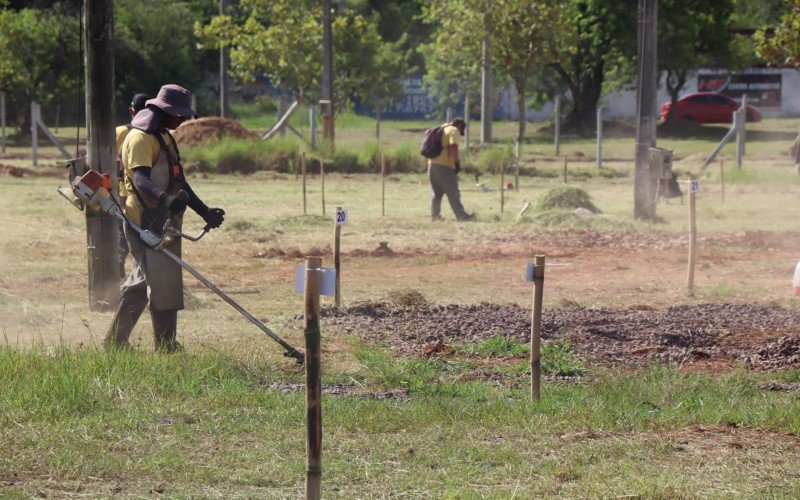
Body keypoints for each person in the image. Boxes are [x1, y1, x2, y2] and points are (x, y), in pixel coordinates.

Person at [105, 84, 225, 352]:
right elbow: (140, 179)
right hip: (144, 222)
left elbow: (179, 181)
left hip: (164, 221)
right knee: (162, 283)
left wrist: (204, 211)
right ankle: (166, 346)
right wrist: (167, 201)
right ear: (164, 110)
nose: (183, 120)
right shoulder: (139, 139)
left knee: (144, 282)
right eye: (179, 114)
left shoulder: (165, 137)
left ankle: (115, 343)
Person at [114, 93, 149, 279]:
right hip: (146, 194)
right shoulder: (152, 134)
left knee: (124, 232)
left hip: (123, 191)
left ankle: (121, 266)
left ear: (131, 111)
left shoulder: (120, 132)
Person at [427, 117, 475, 221]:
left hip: (432, 164)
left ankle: (435, 216)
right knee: (453, 191)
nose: (460, 132)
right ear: (459, 126)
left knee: (436, 192)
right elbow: (453, 147)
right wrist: (456, 163)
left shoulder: (442, 128)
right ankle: (461, 215)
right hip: (445, 166)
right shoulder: (454, 130)